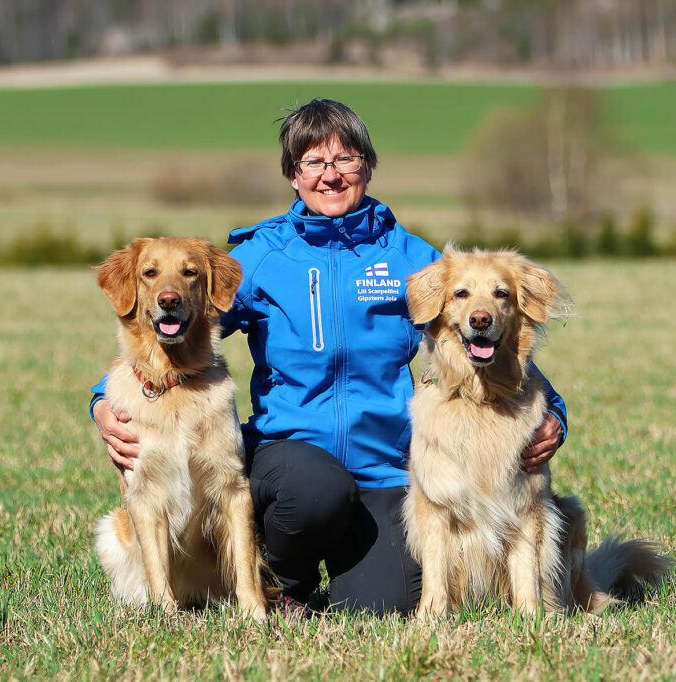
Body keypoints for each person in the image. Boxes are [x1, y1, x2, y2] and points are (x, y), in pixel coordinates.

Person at [90, 98, 568, 616]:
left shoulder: (412, 258)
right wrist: (102, 402)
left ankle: (342, 581)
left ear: (367, 166)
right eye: (314, 163)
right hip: (289, 461)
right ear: (293, 175)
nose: (331, 175)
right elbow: (170, 331)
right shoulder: (260, 256)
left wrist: (554, 414)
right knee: (315, 488)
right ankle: (283, 586)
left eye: (345, 160)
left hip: (384, 469)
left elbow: (488, 335)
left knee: (382, 606)